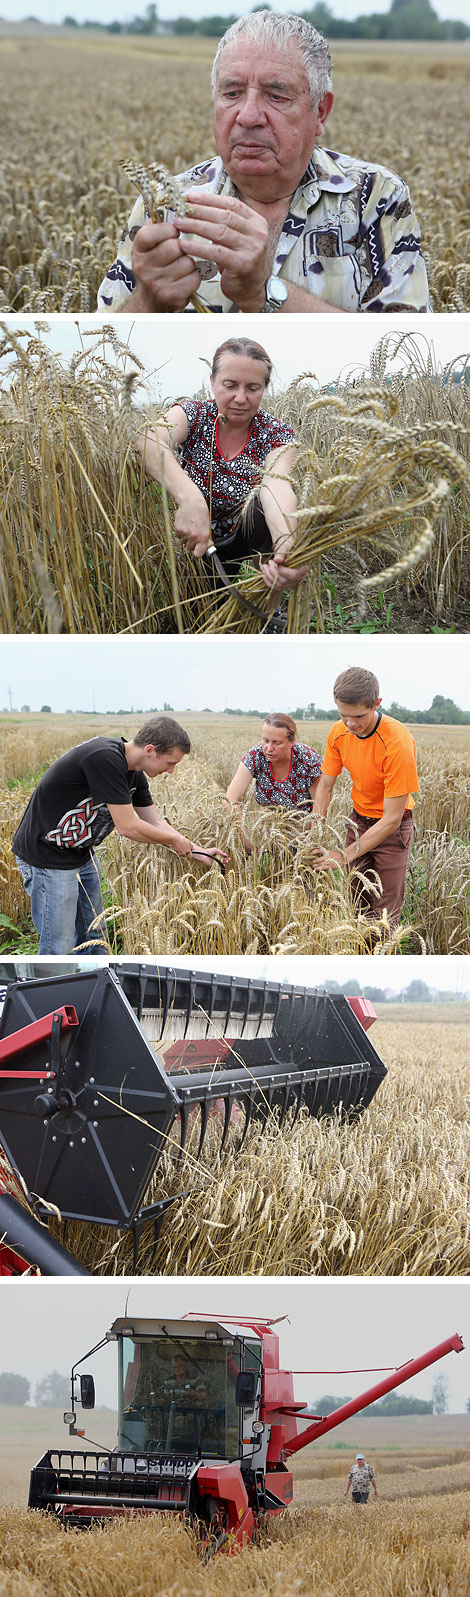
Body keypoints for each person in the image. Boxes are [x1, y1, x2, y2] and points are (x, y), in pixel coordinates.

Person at [98, 12, 431, 315]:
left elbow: (402, 344)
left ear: (320, 112)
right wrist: (149, 301)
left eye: (276, 95)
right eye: (232, 93)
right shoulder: (163, 204)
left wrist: (264, 292)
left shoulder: (376, 196)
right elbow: (104, 345)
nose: (248, 116)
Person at [12, 716, 227, 955]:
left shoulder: (134, 773)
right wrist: (173, 841)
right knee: (58, 945)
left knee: (95, 934)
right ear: (150, 750)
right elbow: (128, 827)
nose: (171, 771)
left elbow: (154, 821)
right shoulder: (104, 758)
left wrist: (197, 851)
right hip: (46, 856)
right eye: (170, 762)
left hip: (80, 853)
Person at [136, 337, 307, 599]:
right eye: (230, 385)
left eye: (252, 388)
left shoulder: (275, 433)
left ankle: (269, 609)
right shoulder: (193, 415)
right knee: (200, 611)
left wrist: (287, 547)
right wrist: (190, 499)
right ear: (213, 382)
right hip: (196, 537)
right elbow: (146, 441)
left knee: (262, 510)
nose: (240, 398)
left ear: (265, 388)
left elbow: (277, 486)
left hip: (244, 533)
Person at [311, 667, 419, 929]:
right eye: (343, 715)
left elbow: (392, 819)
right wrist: (314, 831)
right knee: (355, 902)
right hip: (358, 823)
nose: (350, 724)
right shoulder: (339, 733)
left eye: (358, 716)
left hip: (393, 831)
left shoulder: (397, 741)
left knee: (384, 917)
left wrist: (344, 855)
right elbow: (325, 787)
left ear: (376, 704)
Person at [226, 713, 322, 816]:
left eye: (277, 743)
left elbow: (319, 808)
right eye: (265, 741)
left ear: (291, 742)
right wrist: (244, 831)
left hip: (304, 827)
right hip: (268, 824)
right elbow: (229, 800)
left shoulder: (308, 760)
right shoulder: (255, 756)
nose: (269, 748)